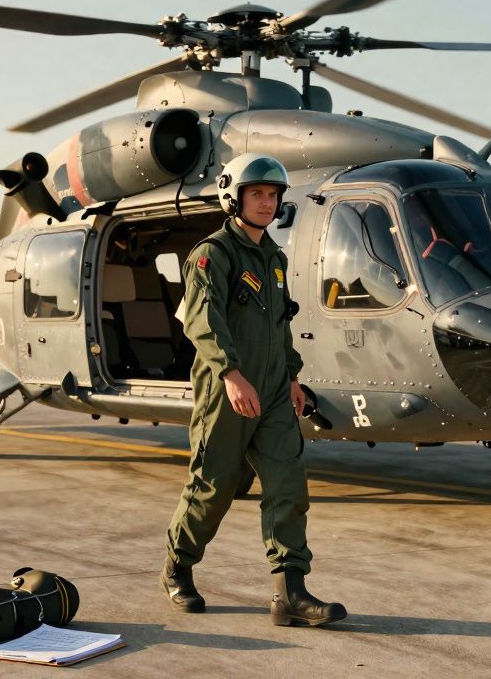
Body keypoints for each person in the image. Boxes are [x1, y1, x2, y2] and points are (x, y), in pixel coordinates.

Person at [161, 152, 346, 628]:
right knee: (214, 487)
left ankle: (290, 592)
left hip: (274, 390)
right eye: (256, 194)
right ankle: (178, 567)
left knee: (288, 484)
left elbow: (279, 325)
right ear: (234, 198)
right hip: (226, 389)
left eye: (272, 195)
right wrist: (230, 374)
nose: (266, 202)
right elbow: (202, 320)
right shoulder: (213, 254)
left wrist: (292, 377)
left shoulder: (274, 259)